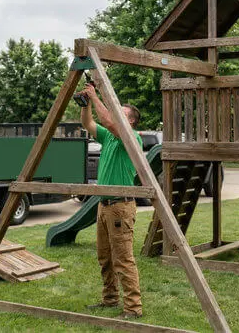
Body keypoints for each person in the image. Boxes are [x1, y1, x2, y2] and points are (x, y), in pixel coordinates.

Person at [78, 82, 143, 319]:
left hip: (120, 207)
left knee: (123, 259)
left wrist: (95, 95)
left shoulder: (131, 138)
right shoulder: (110, 138)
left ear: (132, 121)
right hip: (104, 207)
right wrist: (85, 105)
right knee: (105, 257)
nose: (116, 113)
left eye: (121, 112)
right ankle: (110, 299)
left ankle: (133, 308)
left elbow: (107, 120)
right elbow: (89, 123)